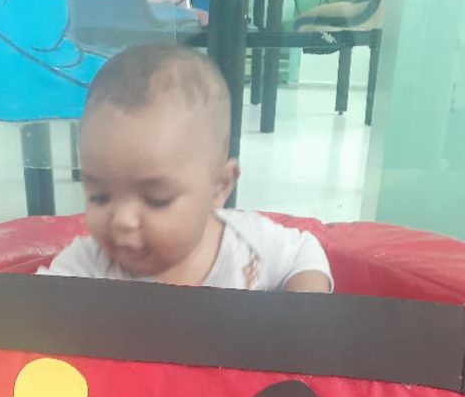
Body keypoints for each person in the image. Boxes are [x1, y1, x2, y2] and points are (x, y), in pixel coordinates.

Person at [38, 45, 333, 293]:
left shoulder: (249, 245)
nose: (123, 220)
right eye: (100, 196)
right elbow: (38, 305)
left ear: (219, 186)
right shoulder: (87, 266)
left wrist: (301, 317)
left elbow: (303, 253)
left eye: (156, 200)